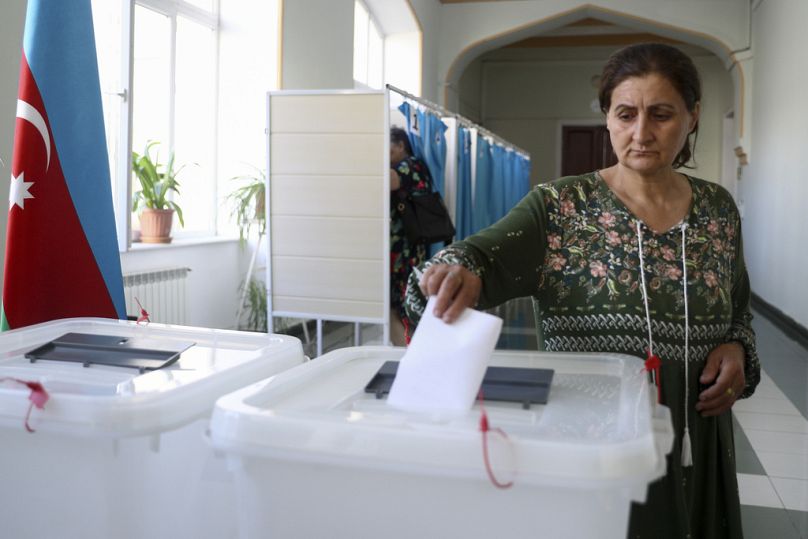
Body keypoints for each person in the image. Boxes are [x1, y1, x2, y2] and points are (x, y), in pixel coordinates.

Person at [405, 43, 760, 539]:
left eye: (661, 115)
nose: (641, 133)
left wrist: (736, 347)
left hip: (696, 437)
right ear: (607, 119)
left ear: (693, 117)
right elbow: (479, 256)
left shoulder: (718, 210)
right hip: (594, 441)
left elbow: (739, 311)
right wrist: (451, 272)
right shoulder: (559, 208)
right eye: (626, 114)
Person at [389, 126, 434, 346]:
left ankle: (407, 352)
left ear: (400, 145)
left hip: (404, 249)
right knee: (400, 304)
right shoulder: (416, 165)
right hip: (409, 247)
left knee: (400, 305)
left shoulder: (409, 166)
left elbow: (390, 181)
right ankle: (408, 350)